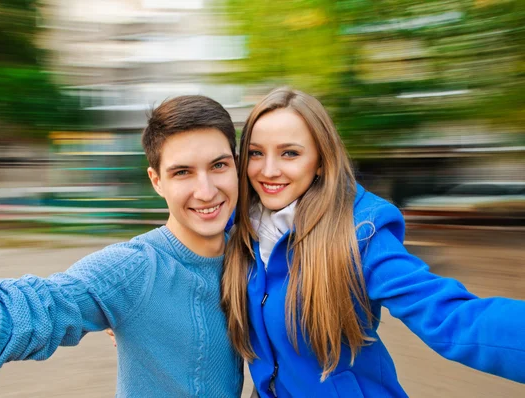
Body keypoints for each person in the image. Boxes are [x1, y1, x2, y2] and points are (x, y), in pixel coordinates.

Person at [0, 95, 244, 397]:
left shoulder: (251, 254)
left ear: (236, 165)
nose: (206, 191)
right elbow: (35, 310)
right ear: (156, 180)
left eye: (218, 165)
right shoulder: (133, 268)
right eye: (182, 172)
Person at [221, 87, 525, 397]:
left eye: (290, 153)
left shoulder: (359, 232)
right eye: (256, 153)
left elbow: (452, 318)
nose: (268, 170)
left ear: (321, 161)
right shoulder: (240, 228)